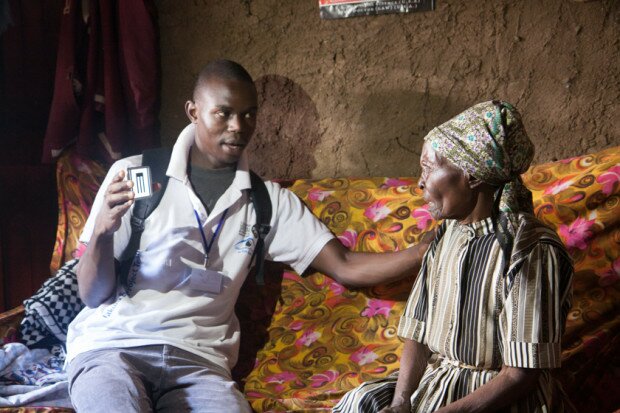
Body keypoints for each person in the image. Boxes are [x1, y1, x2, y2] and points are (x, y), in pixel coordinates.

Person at [65, 59, 431, 413]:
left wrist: (425, 250)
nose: (239, 126)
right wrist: (101, 232)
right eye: (223, 113)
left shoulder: (267, 201)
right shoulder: (135, 175)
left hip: (198, 364)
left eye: (249, 114)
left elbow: (347, 266)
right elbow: (92, 294)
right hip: (114, 349)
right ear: (193, 112)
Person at [333, 101, 575, 413]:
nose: (420, 182)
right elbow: (418, 334)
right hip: (438, 381)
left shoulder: (532, 250)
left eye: (429, 169)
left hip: (496, 397)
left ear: (473, 176)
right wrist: (401, 402)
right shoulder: (446, 236)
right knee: (359, 403)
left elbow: (520, 375)